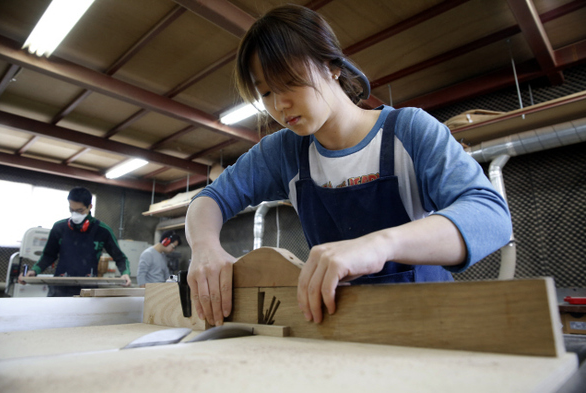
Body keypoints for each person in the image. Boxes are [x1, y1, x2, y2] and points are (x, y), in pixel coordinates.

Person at [185, 5, 512, 326]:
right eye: (267, 92)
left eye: (290, 82)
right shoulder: (283, 151)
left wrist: (380, 244)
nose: (279, 105)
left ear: (332, 67)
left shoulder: (408, 131)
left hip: (429, 324)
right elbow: (210, 199)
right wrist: (204, 248)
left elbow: (492, 217)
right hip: (339, 329)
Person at [18, 187, 132, 296]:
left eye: (80, 210)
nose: (75, 214)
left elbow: (120, 257)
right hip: (59, 288)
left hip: (88, 289)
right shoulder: (59, 228)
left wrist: (125, 273)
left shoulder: (102, 231)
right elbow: (48, 255)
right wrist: (34, 271)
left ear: (90, 207)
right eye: (71, 210)